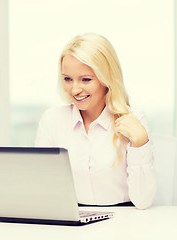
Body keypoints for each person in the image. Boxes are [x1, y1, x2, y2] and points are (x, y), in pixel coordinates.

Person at [35, 33, 156, 210]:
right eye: (68, 79)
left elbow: (143, 201)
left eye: (86, 79)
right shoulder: (52, 120)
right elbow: (41, 187)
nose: (75, 89)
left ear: (106, 78)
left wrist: (140, 142)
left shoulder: (134, 120)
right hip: (70, 221)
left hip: (121, 222)